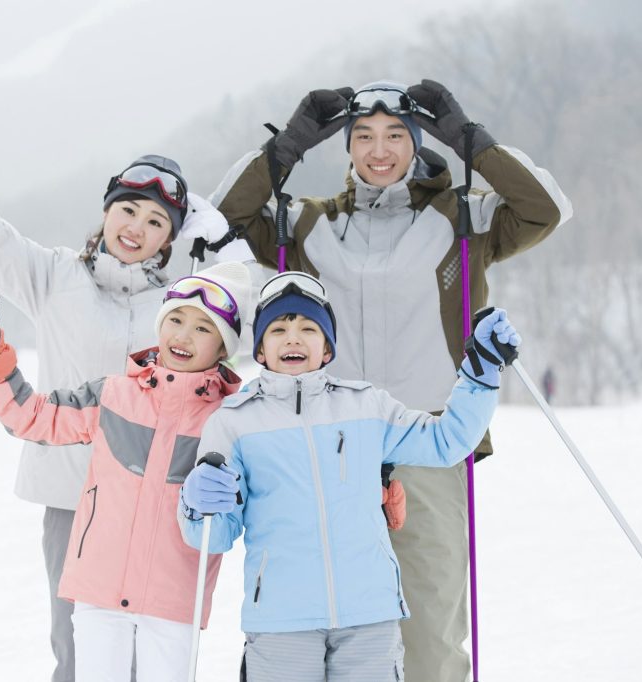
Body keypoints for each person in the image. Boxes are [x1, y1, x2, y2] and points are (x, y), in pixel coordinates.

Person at [208, 79, 573, 681]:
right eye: (365, 136)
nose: (381, 150)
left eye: (397, 135)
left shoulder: (462, 218)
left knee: (429, 628)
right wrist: (289, 147)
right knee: (327, 630)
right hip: (323, 448)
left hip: (427, 442)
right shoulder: (306, 225)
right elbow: (221, 220)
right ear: (345, 146)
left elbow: (543, 210)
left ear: (417, 141)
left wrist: (469, 141)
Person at [0, 75, 252, 681]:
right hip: (75, 498)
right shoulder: (54, 278)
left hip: (161, 504)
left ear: (172, 237)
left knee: (155, 657)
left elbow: (259, 338)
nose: (137, 227)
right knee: (77, 654)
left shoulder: (185, 307)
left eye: (157, 221)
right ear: (106, 212)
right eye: (128, 209)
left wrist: (227, 244)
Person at [178, 272, 520, 681]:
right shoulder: (234, 423)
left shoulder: (366, 407)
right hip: (281, 619)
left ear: (327, 350)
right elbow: (213, 537)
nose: (293, 338)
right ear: (261, 350)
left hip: (369, 616)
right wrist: (196, 505)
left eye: (308, 328)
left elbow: (447, 441)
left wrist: (479, 375)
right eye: (278, 329)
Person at [0, 262, 251, 681]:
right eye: (175, 319)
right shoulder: (113, 395)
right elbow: (33, 417)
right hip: (99, 592)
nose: (182, 335)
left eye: (202, 328)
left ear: (223, 347)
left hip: (176, 599)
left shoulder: (227, 421)